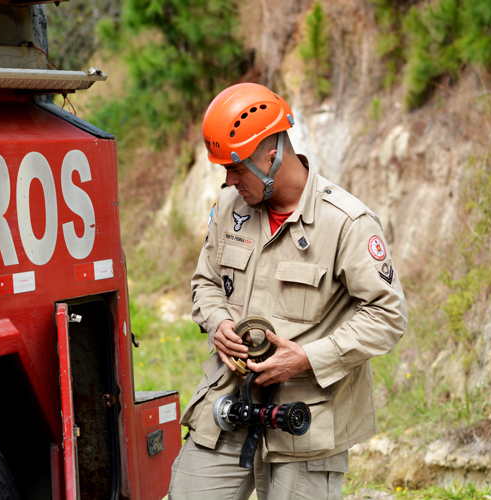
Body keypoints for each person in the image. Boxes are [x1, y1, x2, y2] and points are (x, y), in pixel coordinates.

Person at [169, 83, 408, 500]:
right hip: (230, 401)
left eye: (236, 166)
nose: (229, 179)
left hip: (307, 419)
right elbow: (205, 282)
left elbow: (388, 317)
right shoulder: (230, 208)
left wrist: (307, 358)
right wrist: (218, 321)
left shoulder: (347, 223)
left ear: (270, 152)